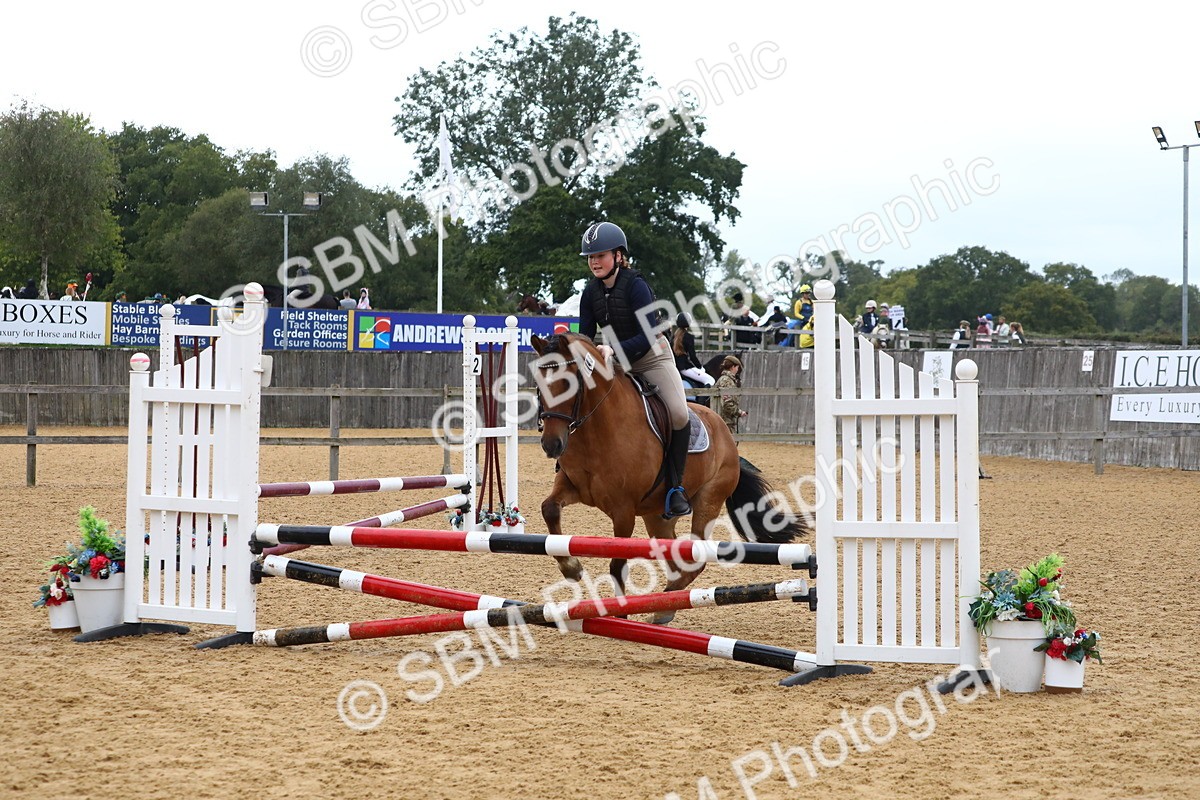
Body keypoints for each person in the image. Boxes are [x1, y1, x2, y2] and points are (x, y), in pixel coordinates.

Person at [577, 220, 693, 518]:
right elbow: (586, 337)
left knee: (679, 414)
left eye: (600, 255)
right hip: (614, 359)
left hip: (652, 357)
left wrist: (613, 350)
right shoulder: (589, 294)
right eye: (591, 257)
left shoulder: (636, 285)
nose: (594, 262)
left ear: (618, 256)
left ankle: (675, 487)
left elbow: (647, 334)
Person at [673, 312, 715, 388]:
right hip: (685, 368)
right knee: (710, 380)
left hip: (676, 367)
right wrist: (700, 367)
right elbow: (692, 356)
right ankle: (701, 400)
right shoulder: (689, 337)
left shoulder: (673, 337)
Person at [715, 354, 747, 437]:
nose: (737, 370)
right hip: (725, 421)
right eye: (737, 367)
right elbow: (727, 403)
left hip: (725, 420)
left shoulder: (726, 379)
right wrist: (739, 412)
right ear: (732, 367)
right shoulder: (727, 381)